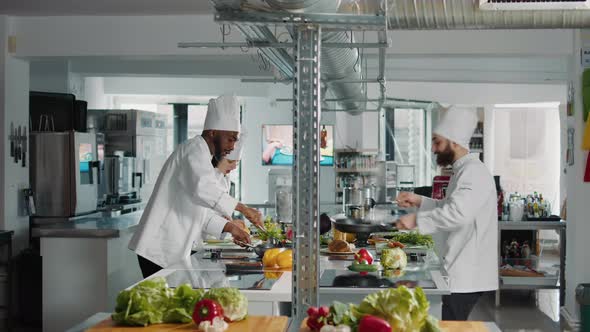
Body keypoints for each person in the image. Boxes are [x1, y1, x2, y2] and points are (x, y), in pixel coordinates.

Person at [129, 95, 263, 278]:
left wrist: (232, 228)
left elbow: (203, 212)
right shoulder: (193, 149)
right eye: (230, 139)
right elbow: (203, 188)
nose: (232, 146)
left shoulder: (204, 158)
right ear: (213, 132)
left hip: (170, 249)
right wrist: (243, 209)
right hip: (158, 248)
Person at [395, 106, 498, 321]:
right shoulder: (462, 170)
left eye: (437, 141)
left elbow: (458, 213)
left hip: (466, 273)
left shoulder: (474, 172)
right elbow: (449, 206)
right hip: (458, 269)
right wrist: (420, 201)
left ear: (454, 141)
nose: (433, 148)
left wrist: (415, 220)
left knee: (448, 325)